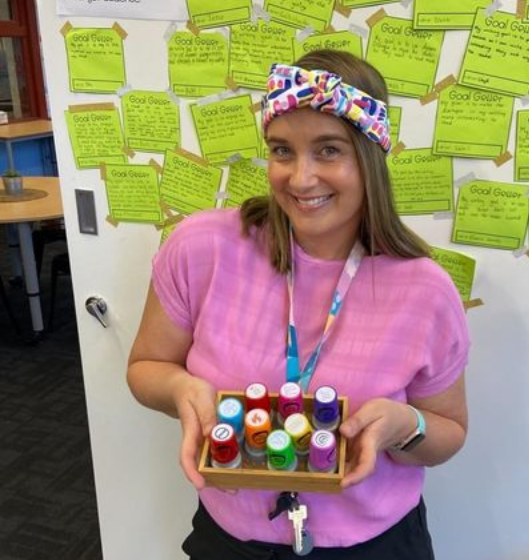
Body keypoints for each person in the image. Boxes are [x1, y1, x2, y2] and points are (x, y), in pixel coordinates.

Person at [127, 49, 470, 559]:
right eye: (282, 150)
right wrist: (180, 389)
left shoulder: (425, 289)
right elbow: (145, 367)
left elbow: (449, 432)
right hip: (233, 540)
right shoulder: (201, 248)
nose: (300, 178)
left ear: (370, 156)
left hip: (372, 546)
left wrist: (407, 426)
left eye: (329, 151)